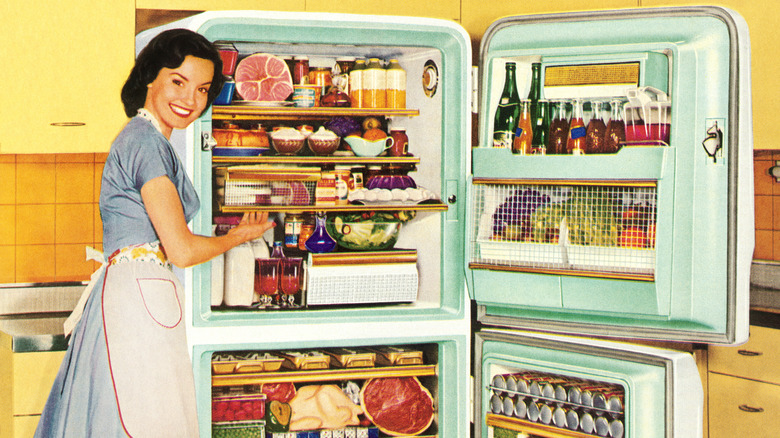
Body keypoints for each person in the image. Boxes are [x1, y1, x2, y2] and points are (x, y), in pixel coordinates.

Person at [35, 29, 275, 437]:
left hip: (134, 294)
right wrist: (237, 238)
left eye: (202, 89)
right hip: (136, 299)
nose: (190, 100)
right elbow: (180, 249)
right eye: (177, 82)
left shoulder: (147, 140)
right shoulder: (145, 142)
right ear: (150, 77)